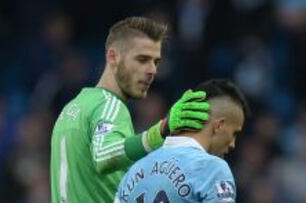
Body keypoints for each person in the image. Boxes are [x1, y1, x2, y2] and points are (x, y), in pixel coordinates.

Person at [50, 17, 210, 203]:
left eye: (155, 62)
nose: (152, 71)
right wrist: (161, 130)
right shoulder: (109, 106)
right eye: (142, 59)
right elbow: (105, 155)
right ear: (113, 57)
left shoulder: (73, 108)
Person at [116, 79, 249, 203]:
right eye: (234, 133)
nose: (232, 144)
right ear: (219, 125)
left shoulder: (133, 171)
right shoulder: (213, 169)